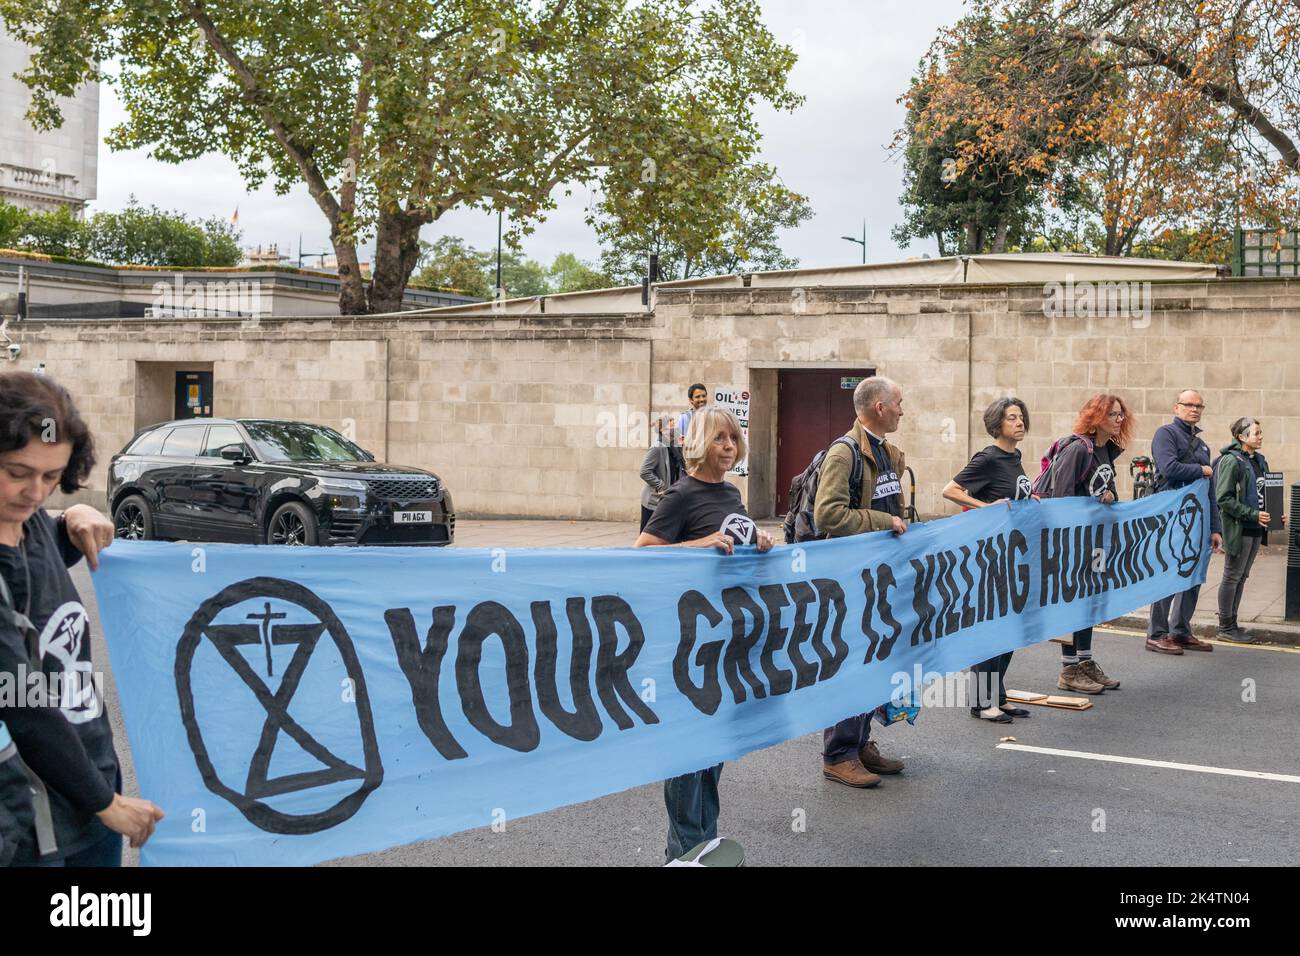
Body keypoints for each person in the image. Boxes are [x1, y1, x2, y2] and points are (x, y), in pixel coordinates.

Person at [0, 371, 164, 866]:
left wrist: (70, 517)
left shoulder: (30, 527)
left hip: (90, 794)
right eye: (16, 471)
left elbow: (48, 537)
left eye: (52, 476)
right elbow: (23, 708)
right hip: (34, 825)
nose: (35, 492)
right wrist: (106, 803)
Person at [635, 407, 775, 862]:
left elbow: (734, 540)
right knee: (687, 751)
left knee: (713, 749)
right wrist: (699, 544)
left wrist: (762, 539)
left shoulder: (731, 493)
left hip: (726, 640)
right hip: (687, 643)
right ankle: (684, 851)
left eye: (734, 438)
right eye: (720, 439)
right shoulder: (679, 494)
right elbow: (644, 554)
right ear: (700, 443)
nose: (729, 446)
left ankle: (706, 842)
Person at [814, 376, 908, 789]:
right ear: (880, 408)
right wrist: (884, 522)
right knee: (852, 663)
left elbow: (892, 505)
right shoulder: (844, 453)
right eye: (899, 403)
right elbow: (828, 515)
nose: (903, 410)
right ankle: (838, 754)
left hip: (880, 575)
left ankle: (861, 741)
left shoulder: (887, 453)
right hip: (852, 576)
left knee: (877, 659)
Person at [942, 397, 1036, 723]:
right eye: (1012, 418)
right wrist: (985, 508)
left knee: (1010, 627)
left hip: (1012, 554)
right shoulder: (989, 458)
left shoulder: (1015, 456)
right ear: (997, 424)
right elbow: (950, 490)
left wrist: (1028, 499)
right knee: (992, 628)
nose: (1019, 422)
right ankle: (982, 703)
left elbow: (1009, 497)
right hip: (989, 556)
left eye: (1021, 417)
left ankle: (997, 695)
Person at [1037, 393, 1131, 695]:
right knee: (1072, 601)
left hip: (1094, 540)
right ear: (1097, 417)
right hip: (1072, 541)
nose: (1119, 420)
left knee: (1089, 601)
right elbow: (1062, 498)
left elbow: (1110, 490)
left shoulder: (1106, 450)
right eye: (1113, 415)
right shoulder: (1079, 449)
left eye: (1120, 415)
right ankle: (1069, 669)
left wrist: (1108, 497)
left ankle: (1086, 661)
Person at [1145, 390, 1223, 655]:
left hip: (1197, 519)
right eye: (1189, 404)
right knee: (1167, 572)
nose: (1195, 409)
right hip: (1170, 516)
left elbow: (1209, 490)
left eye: (1199, 405)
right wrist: (1201, 469)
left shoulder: (1202, 445)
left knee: (1193, 574)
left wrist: (1215, 527)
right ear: (1176, 407)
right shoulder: (1165, 434)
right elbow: (1168, 468)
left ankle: (1180, 631)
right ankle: (1157, 633)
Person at [1215, 418, 1283, 643]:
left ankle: (1233, 624)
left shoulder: (1260, 461)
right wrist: (1253, 514)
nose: (1261, 436)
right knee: (1232, 576)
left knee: (1242, 577)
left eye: (1260, 432)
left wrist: (1275, 514)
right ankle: (1225, 627)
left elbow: (1264, 494)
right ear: (1241, 437)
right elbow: (1223, 498)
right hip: (1239, 529)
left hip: (1256, 529)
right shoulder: (1231, 461)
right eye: (1256, 433)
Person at [637, 414, 684, 532]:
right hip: (654, 499)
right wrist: (660, 485)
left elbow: (683, 468)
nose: (675, 429)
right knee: (647, 534)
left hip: (667, 498)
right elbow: (644, 471)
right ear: (662, 430)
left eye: (675, 426)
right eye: (671, 426)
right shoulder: (657, 448)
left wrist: (683, 447)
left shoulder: (673, 447)